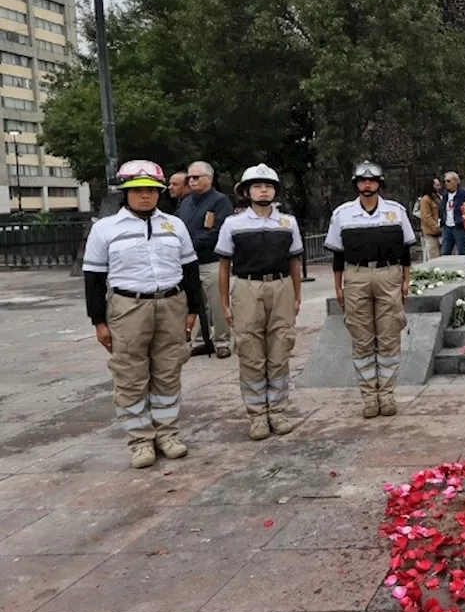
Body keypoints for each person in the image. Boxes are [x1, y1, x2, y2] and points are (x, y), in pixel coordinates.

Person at [82, 160, 202, 469]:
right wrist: (99, 322)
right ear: (125, 193)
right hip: (128, 307)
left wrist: (193, 310)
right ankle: (140, 440)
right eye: (137, 190)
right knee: (130, 375)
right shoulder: (105, 229)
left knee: (168, 371)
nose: (145, 195)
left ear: (160, 193)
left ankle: (167, 434)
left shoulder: (174, 226)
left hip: (171, 304)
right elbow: (93, 279)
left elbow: (190, 270)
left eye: (151, 190)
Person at [216, 163, 304, 441]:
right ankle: (257, 415)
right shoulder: (233, 224)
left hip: (281, 287)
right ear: (247, 192)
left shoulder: (287, 222)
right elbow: (223, 265)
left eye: (268, 185)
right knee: (250, 351)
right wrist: (225, 303)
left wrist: (297, 295)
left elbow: (294, 262)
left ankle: (278, 411)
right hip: (246, 287)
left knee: (280, 349)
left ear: (275, 190)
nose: (263, 190)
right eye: (257, 185)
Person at [324, 161, 417, 418]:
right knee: (362, 337)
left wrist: (406, 280)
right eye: (363, 181)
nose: (367, 185)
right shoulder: (342, 214)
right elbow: (337, 256)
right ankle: (369, 397)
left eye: (372, 181)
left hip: (389, 274)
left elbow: (405, 251)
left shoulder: (396, 212)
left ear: (379, 184)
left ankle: (386, 395)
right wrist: (338, 287)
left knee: (388, 335)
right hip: (356, 275)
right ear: (356, 184)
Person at [178, 160, 234, 358]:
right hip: (190, 263)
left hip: (211, 260)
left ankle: (222, 341)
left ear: (209, 179)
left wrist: (191, 245)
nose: (191, 181)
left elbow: (217, 230)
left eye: (196, 177)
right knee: (196, 302)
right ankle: (203, 340)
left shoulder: (220, 201)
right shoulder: (185, 202)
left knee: (217, 302)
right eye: (189, 178)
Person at [440, 171, 465, 255]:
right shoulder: (445, 194)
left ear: (456, 182)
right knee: (445, 252)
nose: (446, 183)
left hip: (459, 227)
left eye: (449, 181)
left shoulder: (464, 194)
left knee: (462, 251)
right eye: (445, 181)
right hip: (447, 227)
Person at [418, 178, 443, 261]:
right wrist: (436, 227)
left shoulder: (438, 198)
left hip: (441, 231)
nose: (439, 187)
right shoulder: (425, 199)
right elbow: (426, 216)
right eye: (437, 185)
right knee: (434, 256)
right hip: (431, 232)